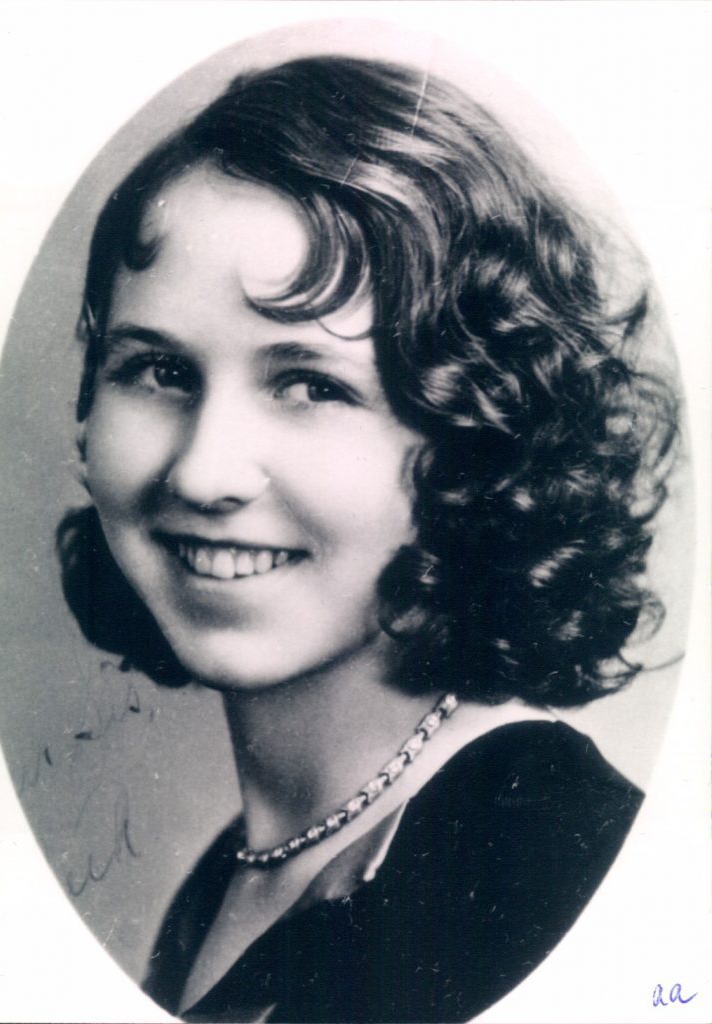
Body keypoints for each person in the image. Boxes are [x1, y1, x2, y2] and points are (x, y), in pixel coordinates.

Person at [57, 54, 678, 1022]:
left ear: (475, 442)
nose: (202, 472)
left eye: (309, 383)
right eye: (160, 370)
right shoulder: (232, 875)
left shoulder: (550, 856)